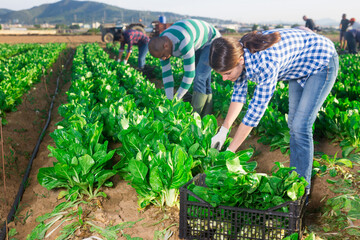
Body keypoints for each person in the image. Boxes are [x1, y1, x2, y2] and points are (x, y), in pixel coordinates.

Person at [209, 28, 338, 192]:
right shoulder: (238, 53)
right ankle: (294, 180)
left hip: (321, 62)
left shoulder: (265, 63)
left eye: (227, 73)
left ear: (240, 60)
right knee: (292, 123)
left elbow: (254, 114)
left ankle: (302, 190)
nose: (224, 78)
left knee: (301, 126)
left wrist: (230, 151)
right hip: (299, 67)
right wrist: (224, 129)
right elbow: (239, 95)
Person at [148, 19, 221, 117]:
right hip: (198, 43)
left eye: (164, 56)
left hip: (212, 40)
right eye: (161, 57)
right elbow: (167, 75)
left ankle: (195, 116)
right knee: (204, 78)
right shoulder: (160, 46)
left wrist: (177, 98)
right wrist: (170, 100)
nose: (164, 58)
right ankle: (207, 114)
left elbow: (190, 75)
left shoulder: (184, 41)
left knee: (200, 77)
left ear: (166, 46)